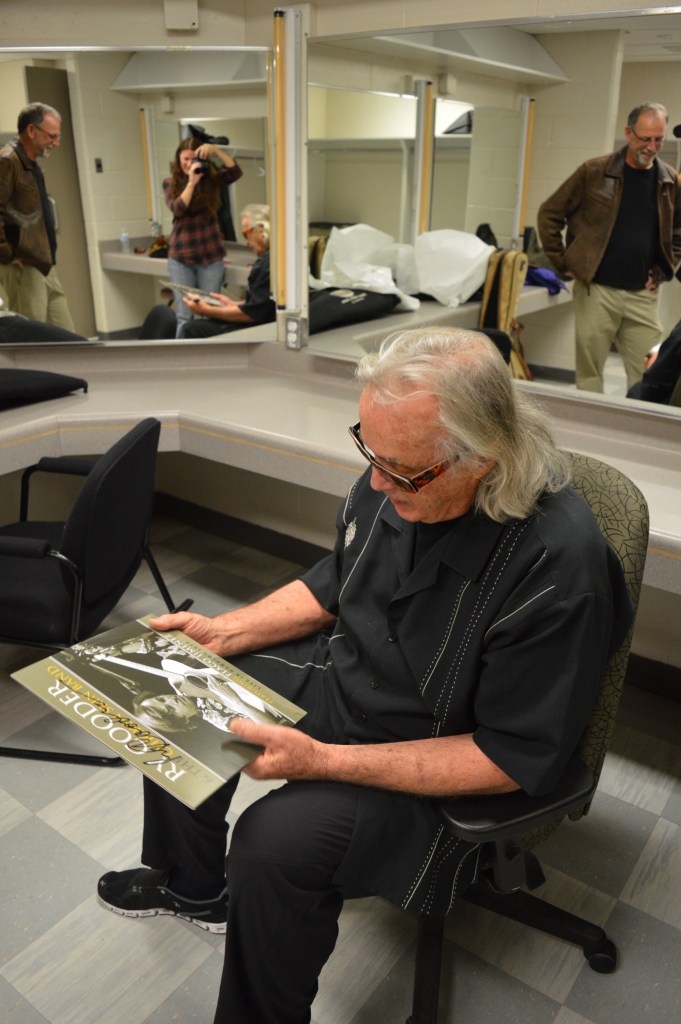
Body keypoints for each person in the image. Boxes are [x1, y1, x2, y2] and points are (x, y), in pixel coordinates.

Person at [96, 327, 633, 1024]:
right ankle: (195, 888)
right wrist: (223, 632)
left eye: (401, 471)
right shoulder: (400, 469)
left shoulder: (557, 570)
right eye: (369, 453)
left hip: (437, 748)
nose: (376, 482)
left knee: (272, 847)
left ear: (483, 459)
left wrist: (321, 762)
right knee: (167, 690)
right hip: (352, 679)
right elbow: (335, 581)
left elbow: (507, 757)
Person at [537, 101, 681, 393]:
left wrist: (663, 270)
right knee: (590, 375)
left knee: (651, 374)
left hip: (642, 295)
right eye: (645, 138)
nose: (652, 147)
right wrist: (563, 262)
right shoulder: (594, 171)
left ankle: (638, 422)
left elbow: (678, 230)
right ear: (628, 133)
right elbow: (549, 213)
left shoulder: (668, 180)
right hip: (597, 292)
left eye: (659, 139)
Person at [0, 102, 75, 331]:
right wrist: (6, 253)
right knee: (33, 337)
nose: (56, 142)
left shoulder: (31, 164)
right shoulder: (8, 161)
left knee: (68, 337)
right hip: (23, 267)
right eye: (52, 136)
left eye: (58, 136)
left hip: (44, 264)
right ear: (31, 130)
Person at [164, 136, 243, 337]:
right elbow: (178, 208)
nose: (190, 164)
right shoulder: (170, 183)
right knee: (184, 315)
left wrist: (215, 150)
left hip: (211, 257)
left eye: (194, 159)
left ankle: (209, 353)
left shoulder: (211, 181)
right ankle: (182, 354)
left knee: (210, 313)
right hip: (181, 257)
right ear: (178, 158)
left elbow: (235, 172)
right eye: (185, 159)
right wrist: (192, 182)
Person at [178, 202, 275, 339]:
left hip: (262, 330)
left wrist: (207, 310)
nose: (247, 242)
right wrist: (231, 304)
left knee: (192, 329)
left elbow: (251, 315)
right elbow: (262, 305)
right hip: (264, 324)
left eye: (246, 234)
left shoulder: (268, 264)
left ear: (261, 229)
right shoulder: (273, 259)